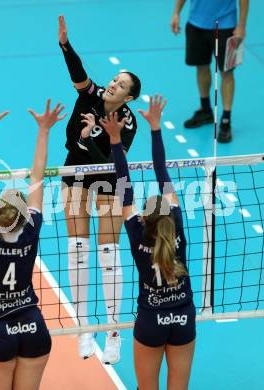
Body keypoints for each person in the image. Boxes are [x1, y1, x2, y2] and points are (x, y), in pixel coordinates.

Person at [58, 15, 142, 364]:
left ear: (130, 97)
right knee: (77, 249)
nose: (112, 85)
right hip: (75, 173)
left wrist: (90, 137)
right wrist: (65, 44)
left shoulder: (128, 122)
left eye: (120, 85)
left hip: (107, 176)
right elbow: (78, 73)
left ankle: (112, 332)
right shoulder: (90, 96)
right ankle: (82, 328)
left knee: (109, 254)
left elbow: (109, 163)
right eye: (113, 80)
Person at [0, 100, 66, 390]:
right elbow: (38, 177)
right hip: (33, 327)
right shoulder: (31, 230)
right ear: (25, 216)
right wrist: (44, 130)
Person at [102, 96, 196, 389]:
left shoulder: (136, 233)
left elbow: (122, 182)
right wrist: (155, 128)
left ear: (144, 218)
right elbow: (162, 172)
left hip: (150, 320)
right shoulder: (176, 228)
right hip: (183, 316)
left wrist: (115, 141)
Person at [170, 0, 249, 143]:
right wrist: (176, 12)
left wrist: (242, 25)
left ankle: (226, 119)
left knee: (226, 73)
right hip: (196, 23)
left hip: (226, 25)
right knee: (201, 66)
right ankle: (205, 110)